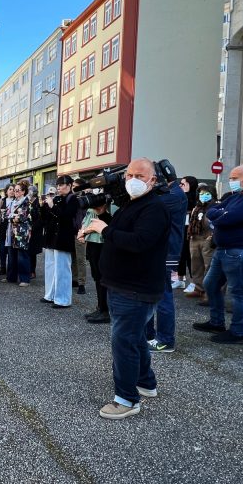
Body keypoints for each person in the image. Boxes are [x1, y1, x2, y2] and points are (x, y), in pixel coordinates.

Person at [83, 158, 171, 419]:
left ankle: (126, 399)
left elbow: (139, 242)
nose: (133, 179)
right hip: (125, 285)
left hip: (135, 288)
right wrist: (98, 222)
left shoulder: (154, 207)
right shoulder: (135, 204)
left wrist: (105, 228)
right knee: (135, 338)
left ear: (153, 180)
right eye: (129, 174)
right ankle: (145, 383)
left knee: (124, 343)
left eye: (140, 176)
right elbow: (121, 231)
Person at [193, 164, 243, 345]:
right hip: (223, 249)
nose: (231, 181)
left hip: (241, 250)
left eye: (235, 178)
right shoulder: (236, 196)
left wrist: (220, 215)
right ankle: (217, 322)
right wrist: (220, 213)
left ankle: (237, 332)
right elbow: (213, 211)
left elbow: (227, 219)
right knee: (210, 284)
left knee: (238, 292)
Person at [145, 168, 187, 353]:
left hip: (166, 252)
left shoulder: (173, 196)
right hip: (159, 250)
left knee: (162, 295)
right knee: (150, 293)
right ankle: (148, 334)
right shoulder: (172, 193)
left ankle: (165, 340)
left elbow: (149, 207)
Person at [41, 175, 78, 309]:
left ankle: (63, 299)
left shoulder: (73, 199)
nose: (58, 188)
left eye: (61, 185)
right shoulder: (58, 198)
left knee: (62, 269)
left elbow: (66, 217)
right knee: (50, 267)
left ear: (69, 185)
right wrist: (45, 206)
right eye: (57, 185)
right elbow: (46, 218)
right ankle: (50, 295)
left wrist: (52, 206)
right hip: (52, 237)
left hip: (63, 238)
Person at [78, 200, 113, 323]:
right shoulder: (92, 207)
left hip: (103, 243)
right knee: (97, 277)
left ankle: (105, 311)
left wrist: (83, 232)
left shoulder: (111, 202)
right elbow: (86, 222)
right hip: (93, 243)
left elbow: (98, 225)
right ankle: (101, 308)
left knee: (102, 277)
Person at [187, 184, 217, 305]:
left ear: (212, 195)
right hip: (195, 237)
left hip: (207, 237)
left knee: (208, 266)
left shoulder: (215, 207)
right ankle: (198, 288)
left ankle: (209, 293)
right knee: (196, 265)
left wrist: (213, 236)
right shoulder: (197, 207)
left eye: (207, 194)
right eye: (201, 194)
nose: (203, 196)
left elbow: (217, 223)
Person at [3, 180, 32, 287]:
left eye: (18, 190)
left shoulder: (26, 202)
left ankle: (25, 278)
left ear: (23, 191)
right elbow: (6, 215)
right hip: (11, 231)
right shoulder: (13, 202)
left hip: (22, 232)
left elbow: (22, 217)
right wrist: (13, 217)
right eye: (15, 190)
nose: (15, 192)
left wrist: (13, 217)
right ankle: (11, 277)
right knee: (11, 255)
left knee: (22, 256)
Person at [173, 176, 199, 291]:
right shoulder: (180, 197)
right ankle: (180, 279)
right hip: (180, 228)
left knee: (190, 256)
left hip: (191, 230)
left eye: (183, 184)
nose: (180, 186)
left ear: (190, 185)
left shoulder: (195, 198)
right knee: (181, 255)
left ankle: (194, 282)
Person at [71, 178, 88, 295]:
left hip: (81, 232)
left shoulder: (86, 199)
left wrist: (83, 230)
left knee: (81, 258)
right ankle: (75, 279)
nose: (73, 188)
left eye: (75, 186)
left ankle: (82, 283)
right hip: (71, 231)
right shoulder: (71, 198)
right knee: (73, 258)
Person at [0, 185, 15, 275]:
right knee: (2, 249)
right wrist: (1, 211)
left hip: (12, 227)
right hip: (3, 227)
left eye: (13, 189)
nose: (12, 191)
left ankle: (11, 269)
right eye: (10, 189)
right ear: (6, 191)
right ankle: (3, 267)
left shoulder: (16, 200)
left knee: (11, 249)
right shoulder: (2, 200)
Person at [27, 186, 43, 279]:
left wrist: (32, 227)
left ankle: (32, 271)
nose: (29, 192)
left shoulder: (38, 202)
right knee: (27, 250)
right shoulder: (27, 202)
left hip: (35, 230)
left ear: (34, 192)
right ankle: (27, 269)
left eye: (30, 191)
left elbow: (41, 218)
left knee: (32, 251)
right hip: (27, 229)